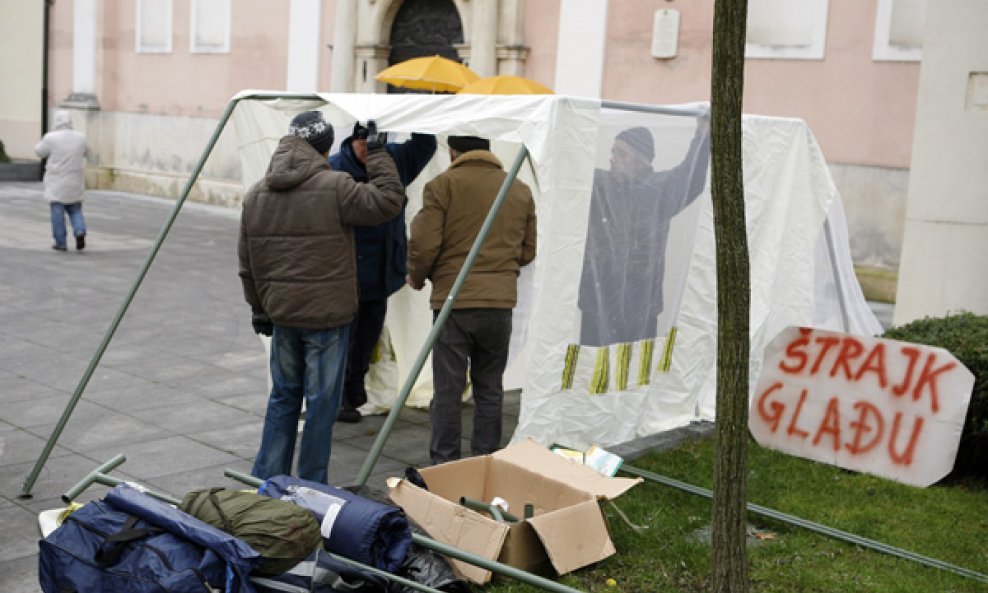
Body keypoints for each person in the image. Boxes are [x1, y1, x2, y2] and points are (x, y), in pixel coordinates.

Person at [238, 111, 403, 484]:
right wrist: (377, 153)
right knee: (321, 406)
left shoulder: (257, 194)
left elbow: (248, 263)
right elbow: (388, 200)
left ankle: (268, 480)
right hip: (327, 318)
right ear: (325, 148)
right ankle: (311, 485)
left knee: (283, 399)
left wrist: (259, 309)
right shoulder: (336, 186)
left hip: (282, 314)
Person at [407, 135, 537, 465]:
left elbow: (425, 243)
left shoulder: (442, 185)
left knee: (448, 390)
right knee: (490, 388)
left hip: (454, 303)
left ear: (452, 151)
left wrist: (417, 276)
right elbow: (527, 251)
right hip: (499, 304)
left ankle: (445, 463)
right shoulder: (518, 189)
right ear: (488, 149)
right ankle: (486, 460)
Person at [330, 123, 437, 423]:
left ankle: (355, 389)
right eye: (363, 143)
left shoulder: (394, 159)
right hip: (348, 273)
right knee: (344, 338)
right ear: (353, 141)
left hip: (382, 271)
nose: (367, 150)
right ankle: (338, 398)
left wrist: (416, 113)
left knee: (368, 335)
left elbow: (425, 146)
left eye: (373, 144)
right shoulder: (336, 169)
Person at [577, 112, 711, 346]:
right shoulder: (598, 185)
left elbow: (692, 174)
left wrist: (703, 134)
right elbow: (568, 167)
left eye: (622, 153)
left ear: (641, 160)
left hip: (640, 306)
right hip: (596, 303)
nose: (612, 158)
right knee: (594, 374)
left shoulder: (660, 191)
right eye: (612, 152)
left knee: (634, 374)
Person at [35, 110, 89, 252]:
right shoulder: (81, 137)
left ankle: (61, 243)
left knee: (57, 211)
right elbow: (87, 151)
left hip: (57, 181)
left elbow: (39, 152)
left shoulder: (51, 138)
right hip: (75, 180)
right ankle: (79, 230)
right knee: (75, 209)